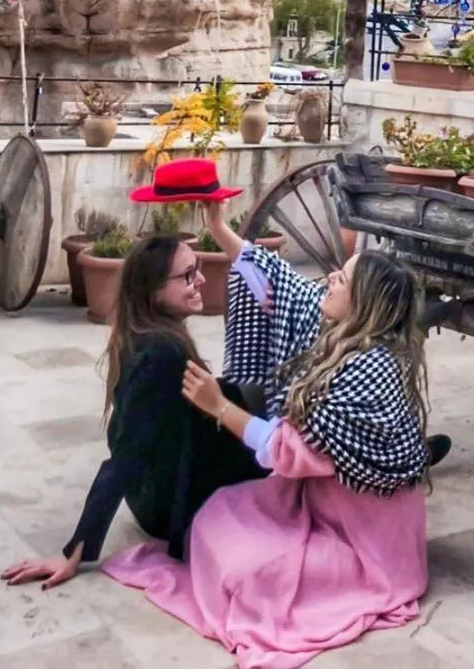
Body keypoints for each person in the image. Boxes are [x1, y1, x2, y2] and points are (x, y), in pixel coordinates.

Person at [103, 194, 446, 668]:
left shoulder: (365, 371)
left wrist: (219, 407)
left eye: (341, 278)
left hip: (365, 541)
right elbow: (283, 281)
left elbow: (284, 450)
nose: (328, 279)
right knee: (222, 513)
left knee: (248, 571)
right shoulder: (352, 334)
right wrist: (220, 228)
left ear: (362, 303)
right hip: (334, 505)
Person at [0, 159, 264, 591]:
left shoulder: (145, 332)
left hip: (156, 490)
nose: (199, 280)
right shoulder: (163, 352)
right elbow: (125, 453)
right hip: (168, 505)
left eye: (197, 267)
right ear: (153, 291)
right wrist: (74, 552)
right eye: (187, 275)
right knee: (282, 446)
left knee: (254, 401)